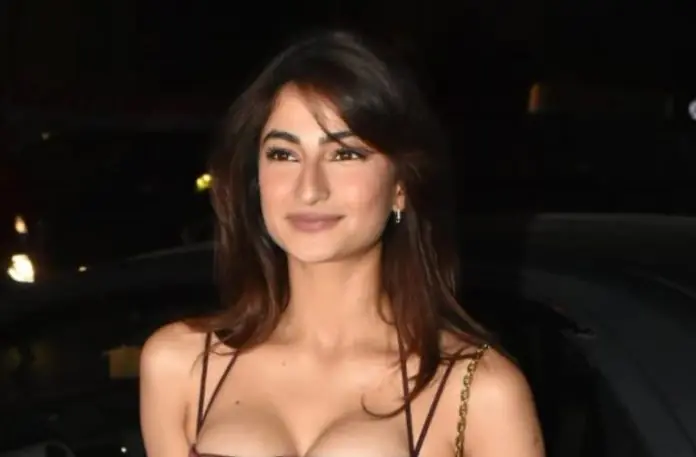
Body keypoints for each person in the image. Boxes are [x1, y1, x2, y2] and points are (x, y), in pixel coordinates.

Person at [139, 30, 544, 457]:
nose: (309, 188)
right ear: (256, 180)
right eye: (284, 154)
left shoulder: (480, 392)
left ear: (401, 186)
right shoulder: (179, 365)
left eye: (345, 154)